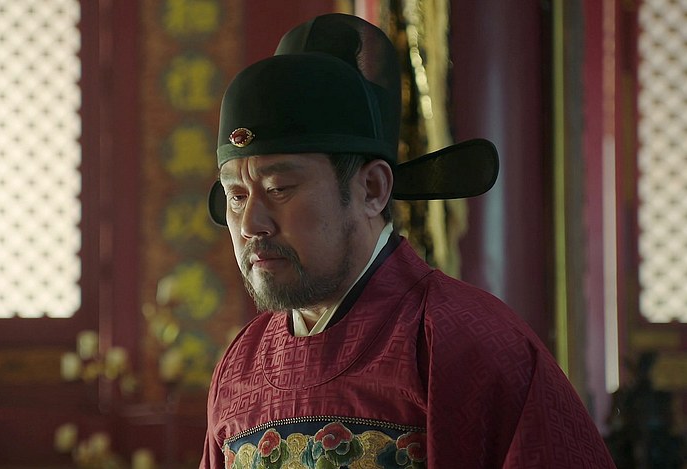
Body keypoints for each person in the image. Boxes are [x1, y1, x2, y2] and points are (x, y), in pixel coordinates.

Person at [201, 13, 615, 469]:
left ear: (372, 189)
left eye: (279, 188)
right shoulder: (239, 366)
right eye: (236, 195)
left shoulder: (465, 344)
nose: (250, 224)